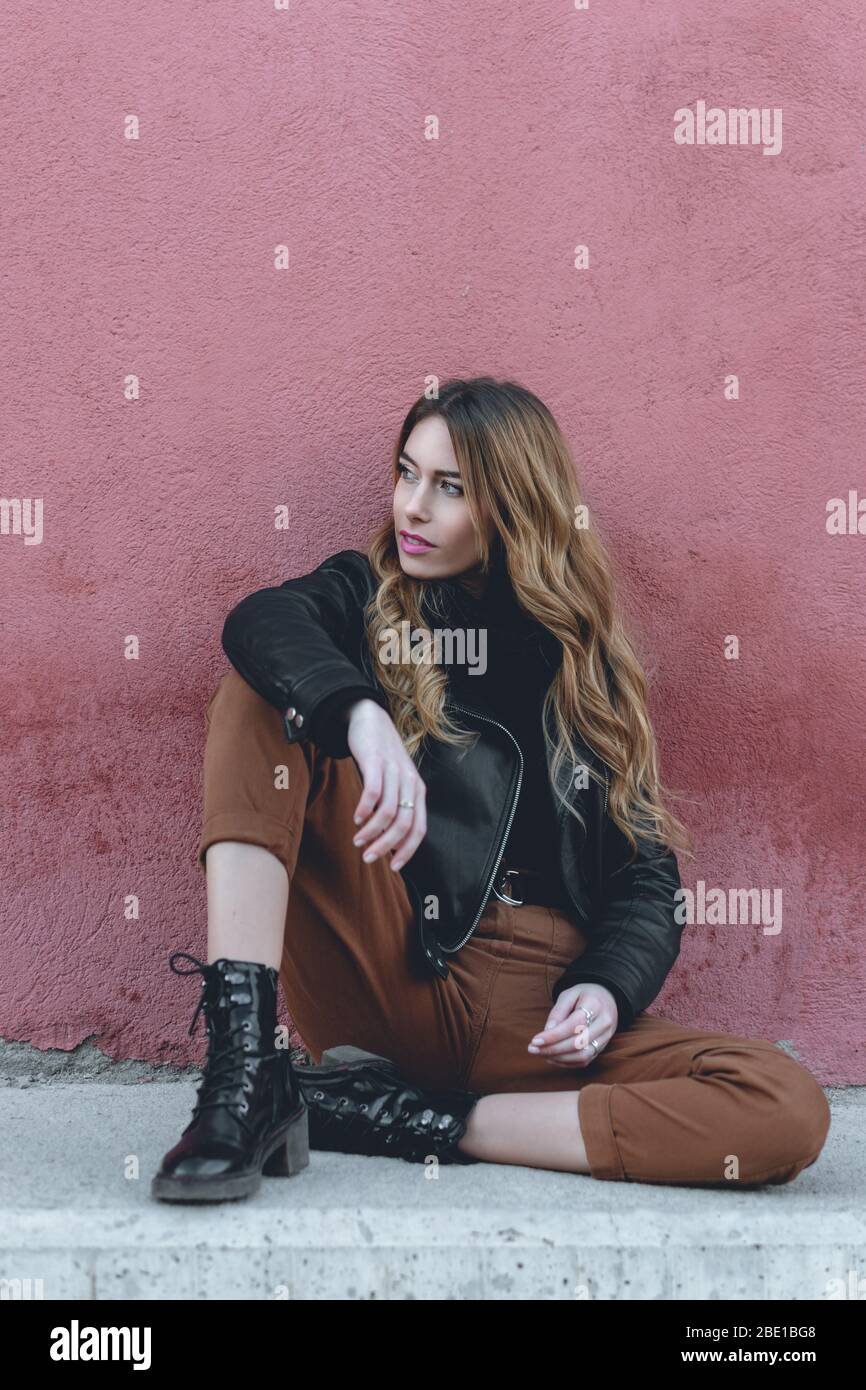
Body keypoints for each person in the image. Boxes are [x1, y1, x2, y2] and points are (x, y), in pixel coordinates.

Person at [151, 377, 831, 1204]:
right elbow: (261, 620)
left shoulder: (589, 669)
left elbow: (646, 877)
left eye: (449, 488)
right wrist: (358, 713)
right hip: (400, 965)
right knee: (262, 690)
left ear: (512, 502)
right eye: (406, 474)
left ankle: (413, 1121)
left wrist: (608, 989)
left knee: (783, 1107)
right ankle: (246, 1075)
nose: (412, 508)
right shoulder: (366, 599)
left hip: (538, 1029)